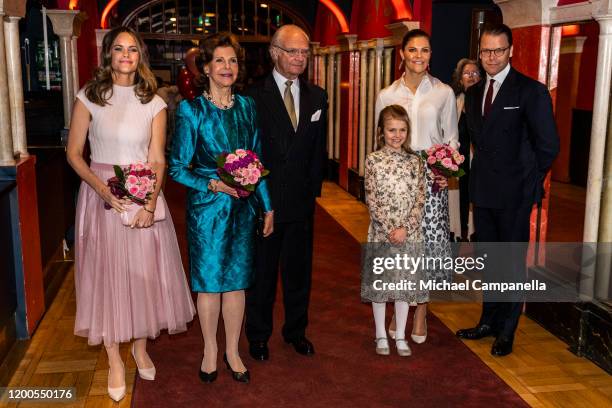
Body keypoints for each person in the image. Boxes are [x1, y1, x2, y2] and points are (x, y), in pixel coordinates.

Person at [66, 26, 195, 402]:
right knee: (107, 276)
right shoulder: (89, 97)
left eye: (133, 50)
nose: (126, 55)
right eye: (119, 49)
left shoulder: (154, 103)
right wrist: (101, 187)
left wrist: (151, 204)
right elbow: (74, 154)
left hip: (143, 196)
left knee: (142, 276)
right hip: (100, 196)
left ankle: (139, 347)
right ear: (109, 55)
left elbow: (157, 159)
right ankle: (114, 360)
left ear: (141, 57)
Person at [168, 32, 274, 384]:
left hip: (243, 211)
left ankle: (233, 350)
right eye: (220, 61)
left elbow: (256, 161)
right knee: (210, 283)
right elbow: (177, 167)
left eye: (232, 61)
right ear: (207, 68)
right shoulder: (191, 110)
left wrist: (268, 207)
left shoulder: (246, 107)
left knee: (237, 283)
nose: (227, 67)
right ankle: (210, 350)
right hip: (207, 211)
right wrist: (214, 183)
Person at [456, 23, 559, 356]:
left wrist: (528, 185)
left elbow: (548, 147)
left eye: (498, 50)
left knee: (512, 264)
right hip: (483, 193)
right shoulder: (472, 94)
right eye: (486, 51)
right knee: (490, 261)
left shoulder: (531, 91)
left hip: (515, 195)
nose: (491, 57)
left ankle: (507, 330)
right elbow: (466, 143)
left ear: (510, 50)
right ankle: (488, 320)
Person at [244, 24, 328, 360]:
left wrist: (312, 195)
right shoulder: (252, 96)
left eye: (305, 52)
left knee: (299, 274)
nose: (300, 58)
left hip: (301, 203)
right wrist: (258, 201)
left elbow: (317, 151)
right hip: (265, 203)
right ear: (274, 52)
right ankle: (258, 336)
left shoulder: (317, 96)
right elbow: (248, 154)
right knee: (262, 275)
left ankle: (296, 331)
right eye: (293, 51)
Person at [375, 29, 458, 344]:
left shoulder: (444, 92)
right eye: (413, 50)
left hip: (430, 177)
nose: (419, 56)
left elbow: (450, 138)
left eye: (425, 50)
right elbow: (380, 139)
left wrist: (444, 169)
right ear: (402, 54)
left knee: (426, 246)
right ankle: (399, 308)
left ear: (430, 55)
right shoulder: (386, 94)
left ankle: (421, 309)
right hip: (397, 176)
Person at [362, 105, 426, 357]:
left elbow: (420, 200)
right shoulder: (373, 160)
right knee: (381, 286)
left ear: (407, 132)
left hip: (408, 235)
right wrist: (390, 230)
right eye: (391, 130)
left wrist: (405, 229)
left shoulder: (415, 162)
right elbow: (372, 199)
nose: (397, 135)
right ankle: (380, 334)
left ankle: (400, 334)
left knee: (403, 285)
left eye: (402, 130)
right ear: (381, 131)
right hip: (382, 234)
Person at [450, 58, 481, 241]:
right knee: (459, 200)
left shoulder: (486, 102)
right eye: (467, 73)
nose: (471, 76)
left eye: (475, 73)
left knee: (476, 200)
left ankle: (474, 234)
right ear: (460, 79)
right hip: (459, 162)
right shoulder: (454, 102)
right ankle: (458, 232)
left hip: (479, 163)